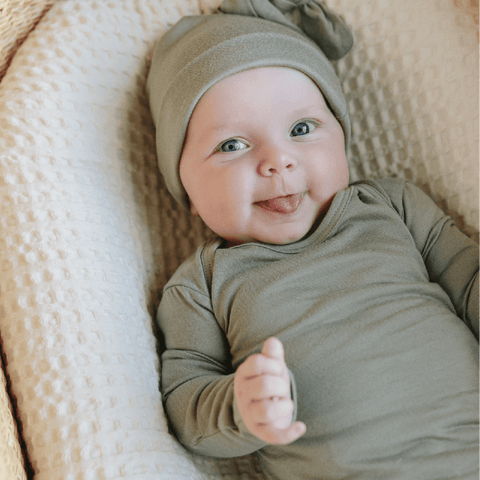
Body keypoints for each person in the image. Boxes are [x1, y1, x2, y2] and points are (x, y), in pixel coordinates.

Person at [146, 0, 480, 478]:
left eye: (301, 129)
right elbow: (186, 403)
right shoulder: (202, 284)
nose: (277, 161)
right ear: (187, 192)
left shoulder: (392, 207)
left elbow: (470, 282)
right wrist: (240, 406)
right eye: (232, 145)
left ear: (342, 139)